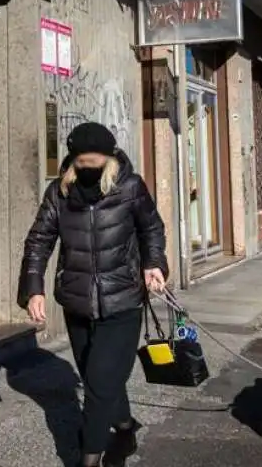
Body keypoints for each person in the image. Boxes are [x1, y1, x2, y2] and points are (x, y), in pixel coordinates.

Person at [19, 122, 168, 467]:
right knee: (96, 377)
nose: (87, 169)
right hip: (77, 300)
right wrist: (33, 288)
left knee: (100, 382)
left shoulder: (129, 186)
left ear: (109, 157)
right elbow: (39, 240)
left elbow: (151, 228)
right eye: (82, 163)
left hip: (123, 299)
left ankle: (89, 458)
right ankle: (127, 429)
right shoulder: (60, 192)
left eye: (94, 162)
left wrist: (153, 264)